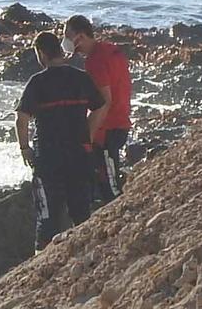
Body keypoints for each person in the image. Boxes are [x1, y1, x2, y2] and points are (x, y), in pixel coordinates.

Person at [16, 31, 109, 246]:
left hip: (49, 156)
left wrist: (24, 148)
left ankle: (41, 264)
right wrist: (89, 133)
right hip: (79, 152)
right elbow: (100, 106)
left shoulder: (37, 82)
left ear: (41, 53)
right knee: (81, 213)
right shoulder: (81, 78)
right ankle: (85, 257)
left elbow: (22, 120)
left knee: (47, 216)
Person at [64, 14, 132, 205]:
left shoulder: (96, 61)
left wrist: (88, 137)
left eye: (68, 36)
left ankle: (121, 218)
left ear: (81, 36)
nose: (66, 42)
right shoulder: (111, 50)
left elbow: (103, 103)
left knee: (109, 184)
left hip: (109, 128)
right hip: (121, 119)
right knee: (103, 176)